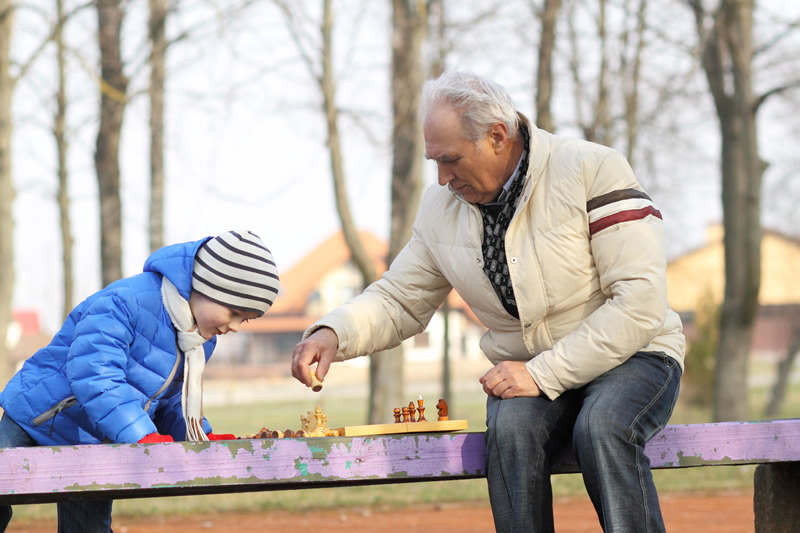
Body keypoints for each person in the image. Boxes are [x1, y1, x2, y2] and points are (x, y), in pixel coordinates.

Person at [291, 71, 685, 532]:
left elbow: (640, 302)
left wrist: (542, 373)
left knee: (601, 428)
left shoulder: (592, 169)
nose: (442, 177)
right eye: (434, 161)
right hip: (526, 369)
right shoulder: (439, 207)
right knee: (511, 433)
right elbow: (400, 296)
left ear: (498, 136)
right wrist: (333, 332)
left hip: (633, 356)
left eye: (451, 159)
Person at [0, 230, 280, 533]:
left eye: (246, 319)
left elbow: (171, 400)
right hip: (37, 416)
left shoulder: (197, 338)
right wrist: (141, 435)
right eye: (234, 312)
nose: (236, 327)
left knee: (88, 527)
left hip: (96, 436)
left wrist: (199, 438)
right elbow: (94, 375)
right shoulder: (124, 303)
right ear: (210, 287)